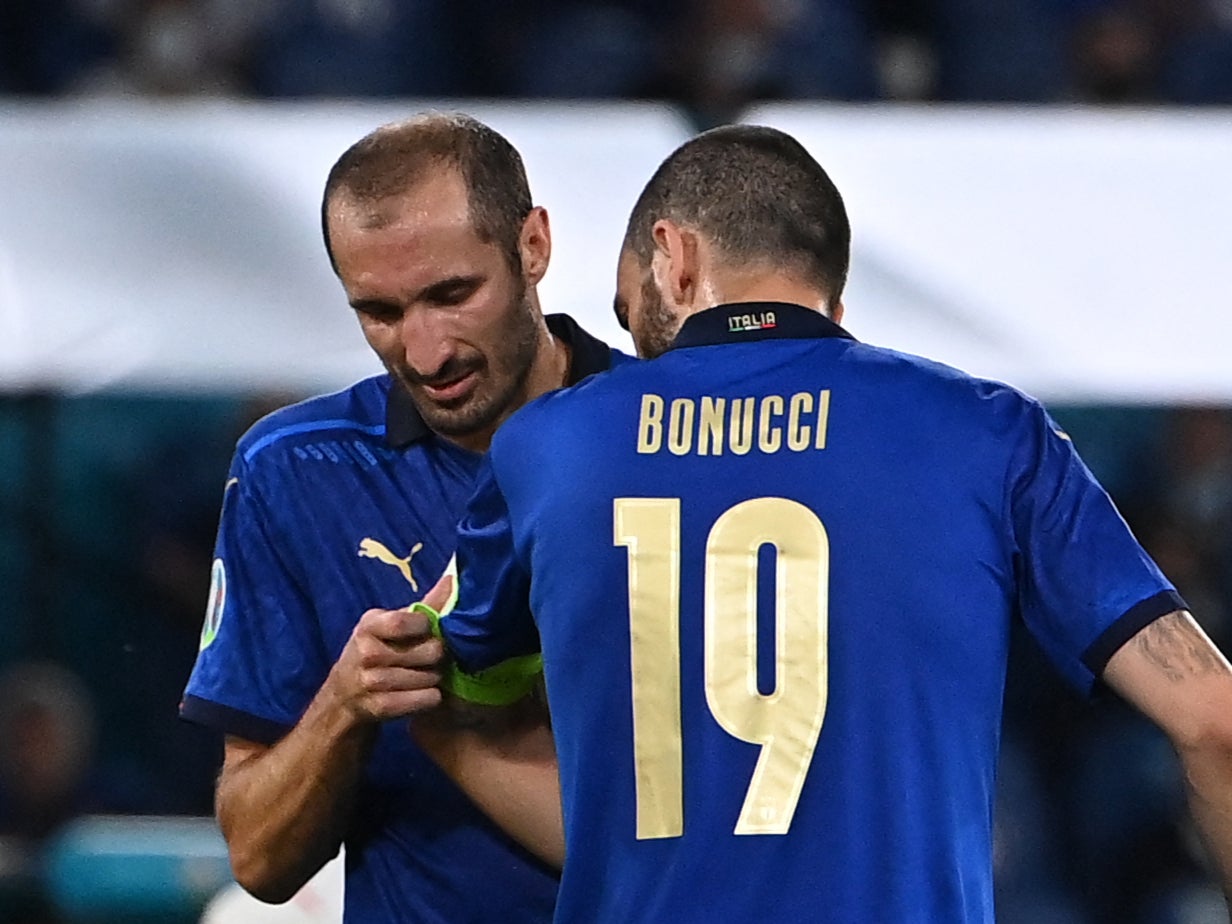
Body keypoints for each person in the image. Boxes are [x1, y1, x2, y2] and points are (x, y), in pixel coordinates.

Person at [410, 124, 1232, 921]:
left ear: (676, 257)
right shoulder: (989, 432)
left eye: (632, 318)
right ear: (833, 296)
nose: (637, 348)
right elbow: (1215, 719)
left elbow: (449, 690)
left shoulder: (545, 446)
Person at [179, 111, 626, 922]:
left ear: (533, 246)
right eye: (379, 312)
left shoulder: (670, 440)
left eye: (452, 295)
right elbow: (259, 856)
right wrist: (345, 704)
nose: (425, 352)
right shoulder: (292, 472)